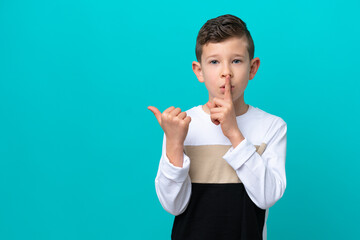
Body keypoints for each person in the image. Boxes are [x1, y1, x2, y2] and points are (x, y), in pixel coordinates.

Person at [148, 14, 287, 240]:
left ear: (253, 68)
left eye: (236, 61)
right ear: (199, 71)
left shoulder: (272, 127)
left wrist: (234, 133)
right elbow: (173, 205)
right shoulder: (181, 127)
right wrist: (174, 143)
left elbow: (267, 196)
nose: (226, 72)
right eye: (214, 62)